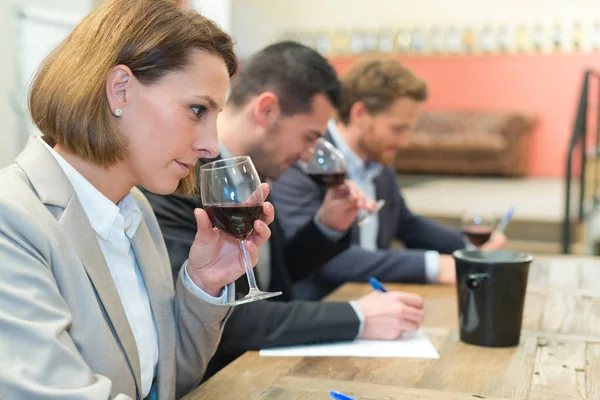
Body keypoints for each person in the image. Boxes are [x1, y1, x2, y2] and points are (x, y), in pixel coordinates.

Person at [0, 1, 276, 399]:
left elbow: (169, 382)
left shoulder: (134, 210)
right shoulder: (12, 219)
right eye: (196, 109)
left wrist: (203, 284)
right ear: (120, 90)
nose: (210, 145)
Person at [142, 42, 425, 380]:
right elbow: (229, 320)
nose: (309, 155)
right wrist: (358, 317)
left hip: (262, 369)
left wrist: (327, 226)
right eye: (309, 137)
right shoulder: (179, 180)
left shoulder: (252, 172)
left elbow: (276, 276)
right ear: (267, 111)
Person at [271, 56, 508, 300]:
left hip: (374, 297)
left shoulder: (379, 161)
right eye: (398, 129)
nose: (404, 141)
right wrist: (436, 266)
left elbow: (407, 224)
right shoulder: (303, 159)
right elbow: (325, 259)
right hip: (325, 306)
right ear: (360, 113)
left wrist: (470, 248)